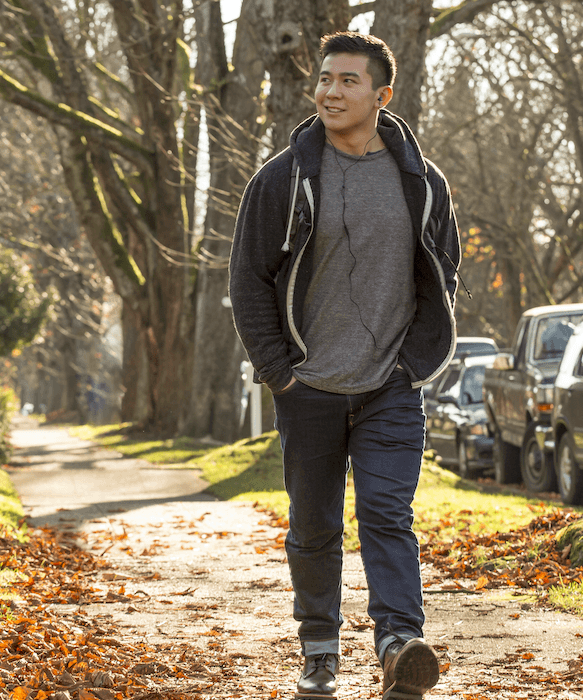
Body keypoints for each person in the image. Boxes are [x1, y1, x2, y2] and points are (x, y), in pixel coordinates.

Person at [227, 32, 461, 700]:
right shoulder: (283, 178)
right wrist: (280, 372)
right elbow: (248, 279)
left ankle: (398, 644)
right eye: (325, 79)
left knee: (387, 513)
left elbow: (441, 273)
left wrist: (413, 365)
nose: (331, 91)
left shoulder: (422, 181)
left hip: (390, 385)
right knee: (314, 524)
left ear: (382, 95)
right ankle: (320, 649)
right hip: (310, 387)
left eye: (348, 81)